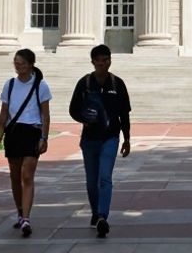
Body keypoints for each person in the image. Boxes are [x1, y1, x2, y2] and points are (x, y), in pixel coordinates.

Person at [67, 44, 132, 239]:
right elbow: (73, 109)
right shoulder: (84, 83)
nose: (102, 64)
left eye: (106, 60)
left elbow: (124, 114)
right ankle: (95, 212)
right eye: (99, 61)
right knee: (91, 181)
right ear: (93, 62)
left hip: (110, 137)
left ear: (110, 61)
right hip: (89, 139)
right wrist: (84, 119)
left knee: (105, 177)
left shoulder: (117, 84)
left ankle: (103, 216)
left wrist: (127, 138)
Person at [0, 48, 50, 238]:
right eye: (16, 63)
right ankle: (20, 211)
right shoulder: (9, 85)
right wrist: (0, 131)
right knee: (15, 175)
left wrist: (44, 137)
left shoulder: (40, 86)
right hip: (14, 131)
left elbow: (45, 114)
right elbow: (4, 110)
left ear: (31, 64)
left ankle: (26, 218)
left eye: (22, 63)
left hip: (32, 131)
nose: (18, 67)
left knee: (27, 175)